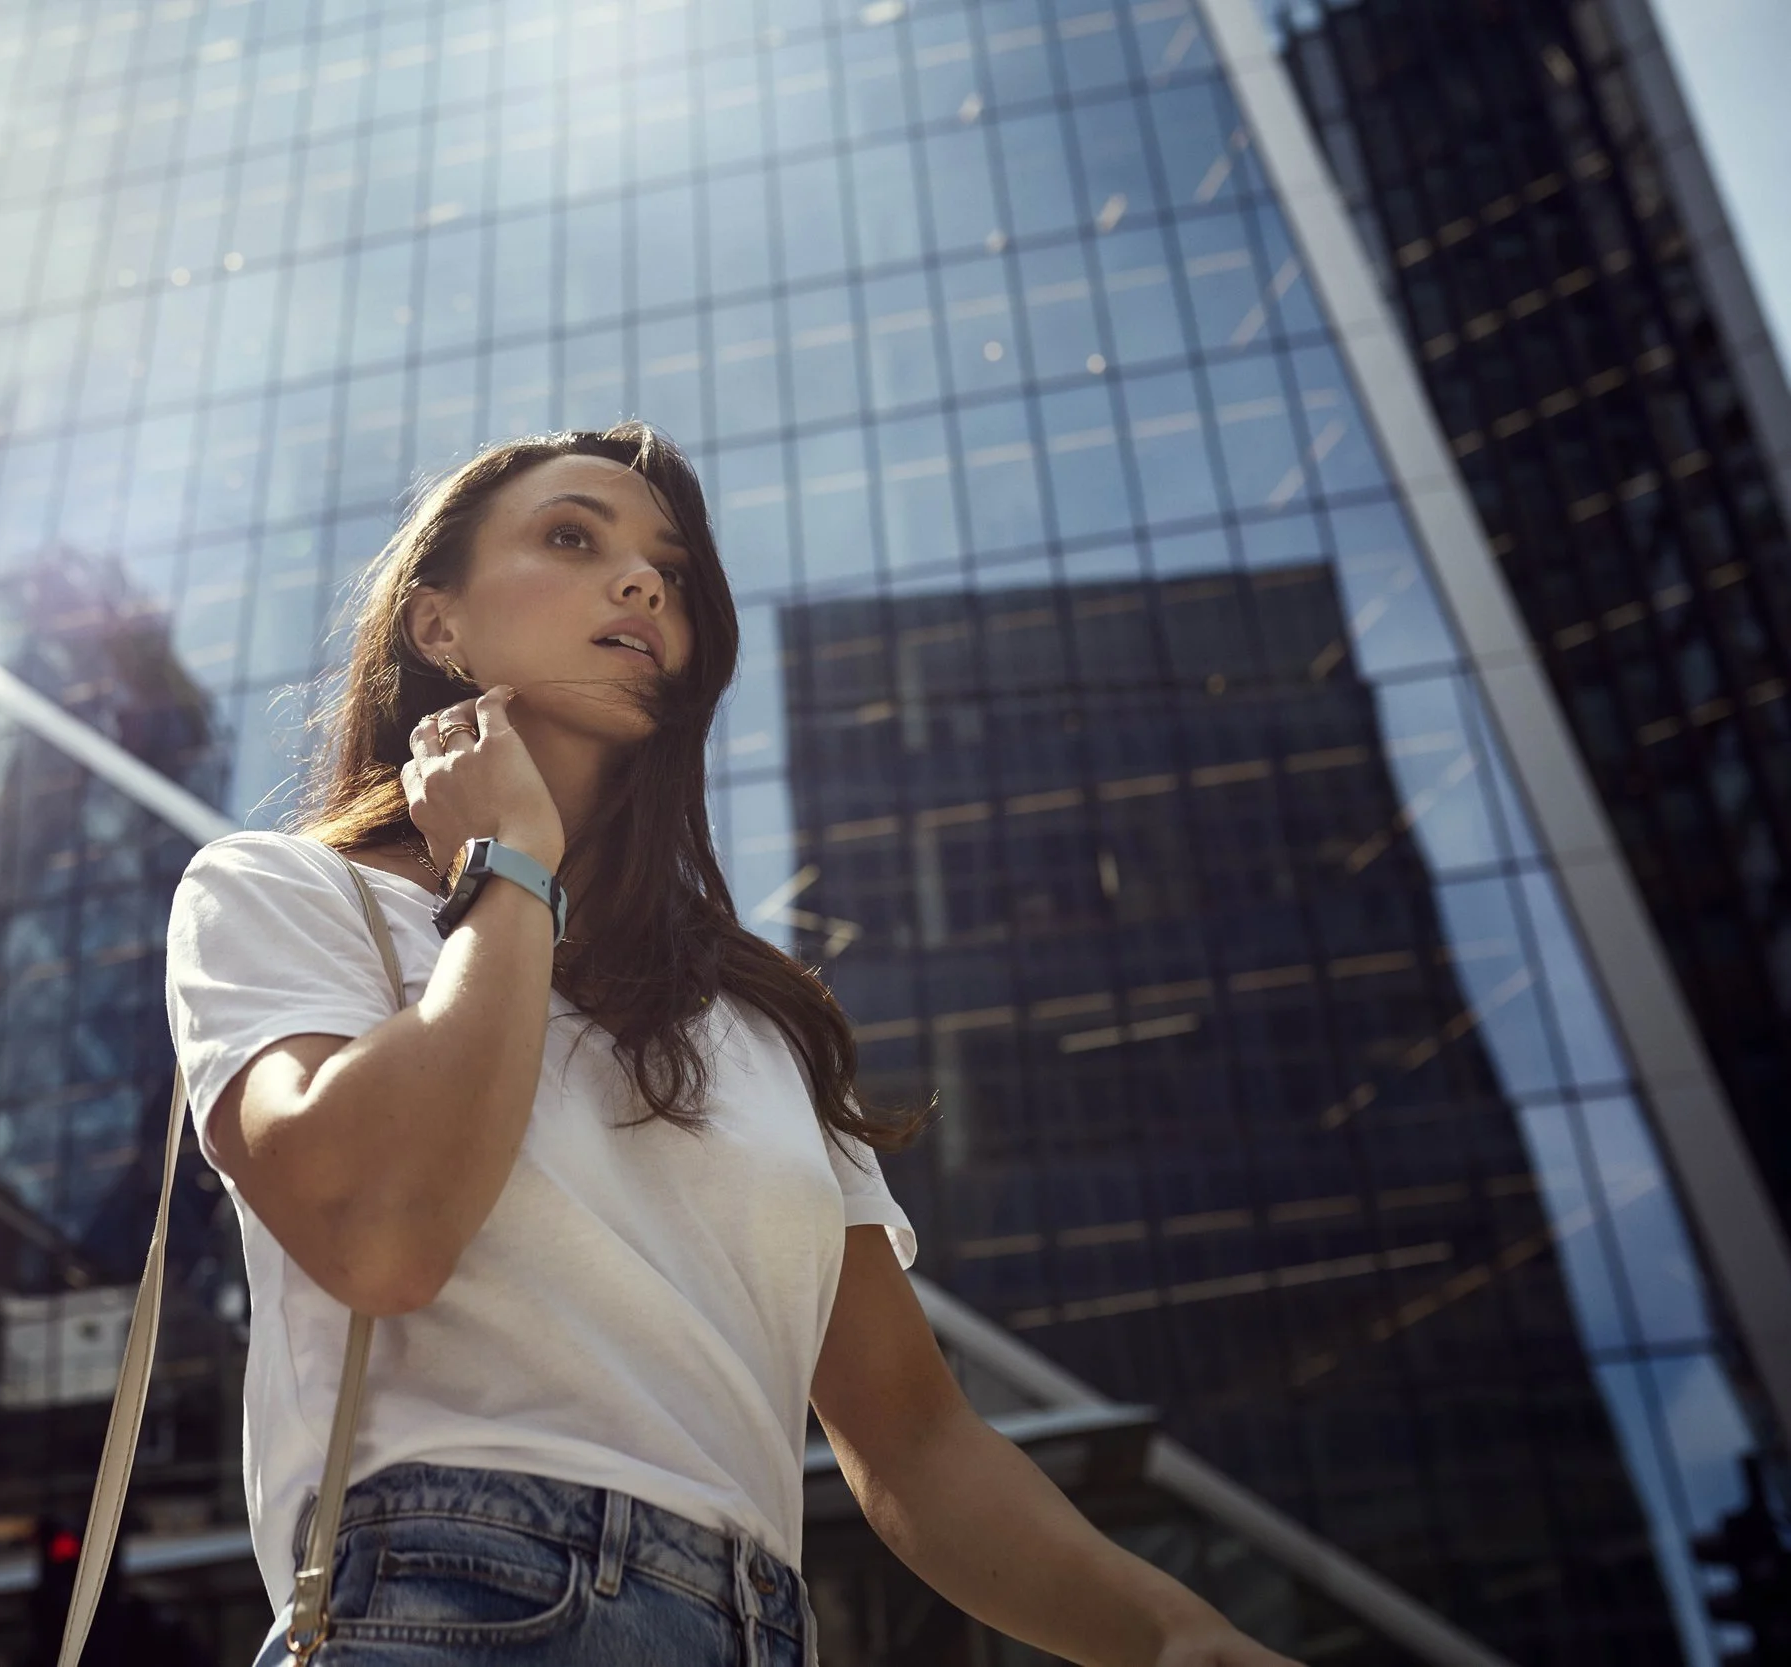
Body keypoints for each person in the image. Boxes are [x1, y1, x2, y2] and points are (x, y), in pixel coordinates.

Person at [163, 424, 1302, 1667]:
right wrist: (511, 871)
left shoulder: (755, 1021)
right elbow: (380, 1231)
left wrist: (1175, 1634)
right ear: (437, 627)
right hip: (439, 1600)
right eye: (571, 537)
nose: (643, 581)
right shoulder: (285, 895)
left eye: (673, 569)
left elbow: (913, 1436)